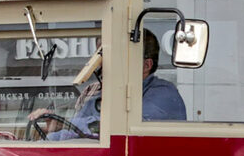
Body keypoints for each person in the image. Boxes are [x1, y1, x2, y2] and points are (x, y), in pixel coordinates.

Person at [33, 29, 186, 138]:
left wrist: (67, 124)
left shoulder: (164, 94)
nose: (102, 65)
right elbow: (73, 133)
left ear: (146, 65)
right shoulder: (98, 96)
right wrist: (51, 130)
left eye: (114, 56)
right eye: (100, 58)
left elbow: (117, 128)